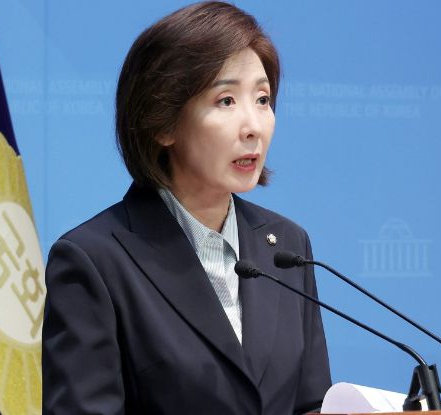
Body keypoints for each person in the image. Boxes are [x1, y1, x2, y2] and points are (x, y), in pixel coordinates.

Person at [42, 2, 331, 414]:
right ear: (163, 122)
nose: (253, 126)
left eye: (262, 99)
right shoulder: (94, 261)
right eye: (226, 100)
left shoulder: (287, 246)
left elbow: (312, 403)